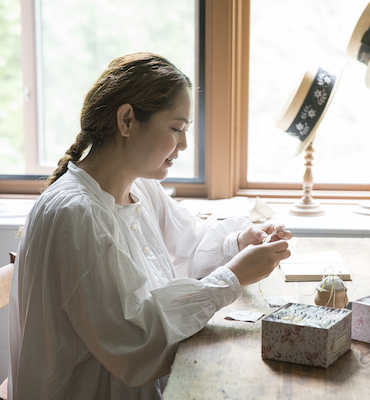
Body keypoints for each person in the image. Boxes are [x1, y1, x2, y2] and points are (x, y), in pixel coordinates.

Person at [7, 53, 291, 400]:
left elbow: (186, 246)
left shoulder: (139, 187)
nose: (184, 145)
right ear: (127, 120)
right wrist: (231, 278)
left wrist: (238, 243)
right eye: (176, 129)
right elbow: (135, 342)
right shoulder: (77, 214)